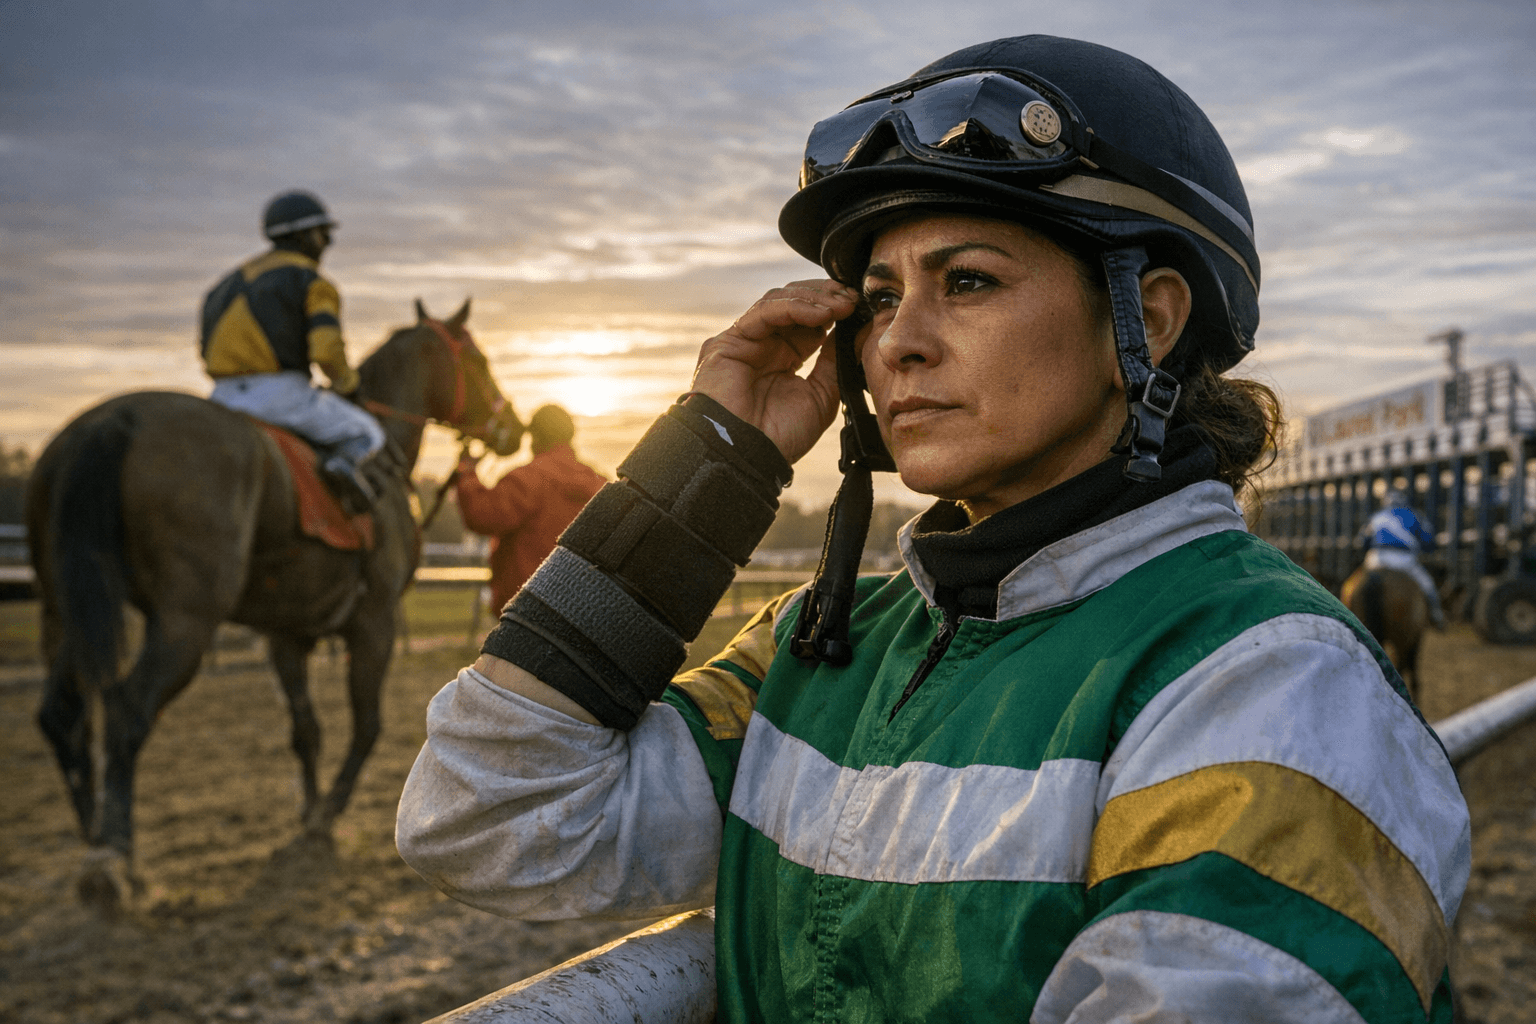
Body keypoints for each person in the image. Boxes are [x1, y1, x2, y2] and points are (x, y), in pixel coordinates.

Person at [397, 36, 1469, 1023]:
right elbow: (485, 817)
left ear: (1152, 319)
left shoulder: (1274, 681)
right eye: (875, 296)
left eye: (967, 282)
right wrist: (711, 465)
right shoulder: (818, 640)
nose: (898, 341)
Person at [200, 190, 385, 512]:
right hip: (281, 397)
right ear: (305, 236)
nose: (328, 242)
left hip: (220, 398)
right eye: (324, 233)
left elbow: (206, 349)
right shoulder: (313, 282)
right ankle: (341, 470)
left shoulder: (223, 285)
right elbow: (326, 352)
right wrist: (349, 386)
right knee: (368, 433)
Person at [455, 404, 607, 613]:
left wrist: (467, 472)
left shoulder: (529, 479)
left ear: (535, 436)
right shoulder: (599, 483)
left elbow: (482, 516)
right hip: (583, 608)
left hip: (527, 608)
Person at [1365, 488, 1447, 628]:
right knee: (1428, 586)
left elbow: (1364, 541)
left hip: (1376, 558)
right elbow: (1428, 540)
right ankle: (1436, 615)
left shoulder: (1376, 517)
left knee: (1353, 584)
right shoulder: (1415, 515)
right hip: (1404, 560)